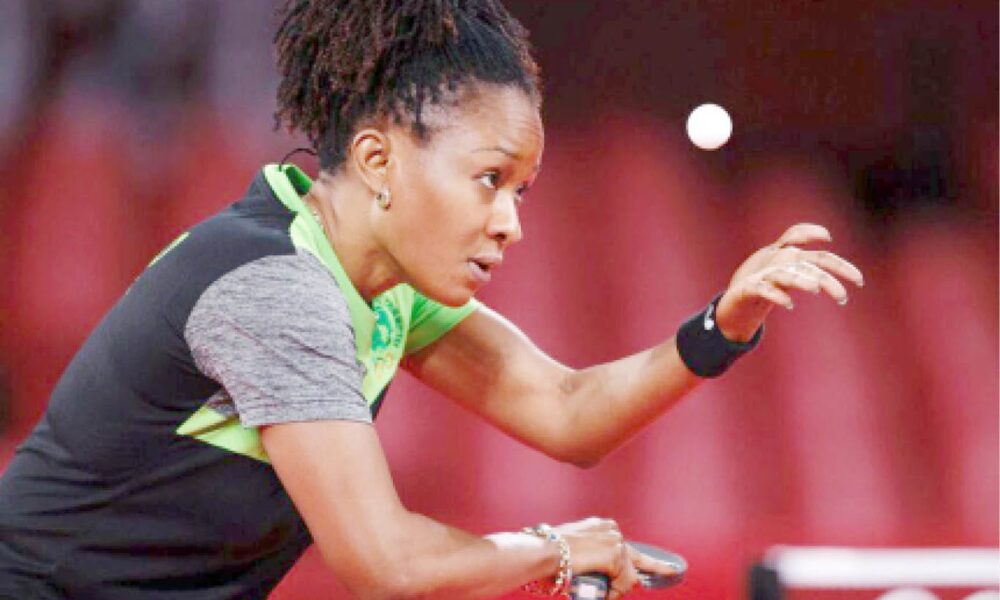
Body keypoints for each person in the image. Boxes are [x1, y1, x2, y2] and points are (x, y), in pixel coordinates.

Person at [0, 1, 865, 599]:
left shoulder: (382, 294)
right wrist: (556, 551)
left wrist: (725, 325)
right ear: (378, 162)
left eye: (521, 190)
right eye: (490, 180)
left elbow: (568, 413)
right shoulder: (273, 287)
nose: (509, 223)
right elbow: (387, 564)